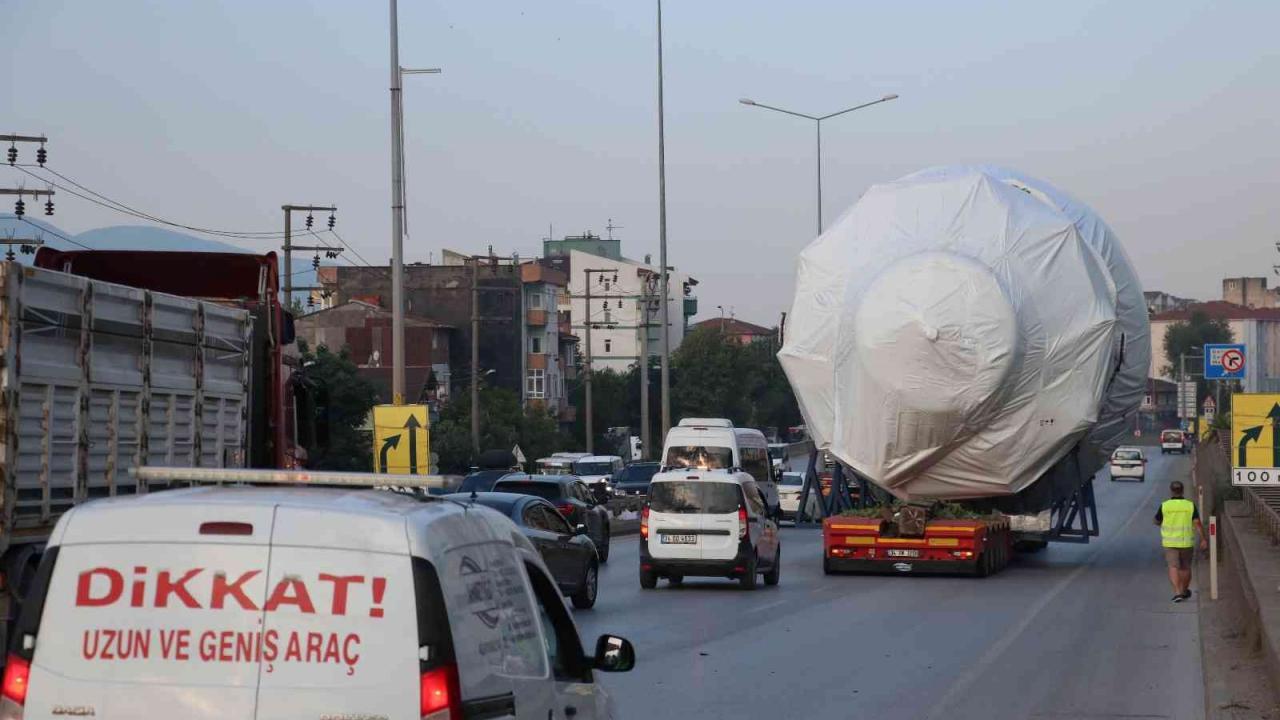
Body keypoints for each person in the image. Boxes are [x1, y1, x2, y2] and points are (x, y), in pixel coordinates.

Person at [1154, 480, 1207, 602]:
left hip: (1170, 543)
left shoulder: (1165, 505)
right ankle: (1184, 591)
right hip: (1186, 542)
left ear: (1171, 491)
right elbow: (1197, 523)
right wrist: (1203, 539)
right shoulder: (1190, 505)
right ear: (1182, 491)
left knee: (1173, 566)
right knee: (1185, 567)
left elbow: (1156, 521)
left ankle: (1177, 593)